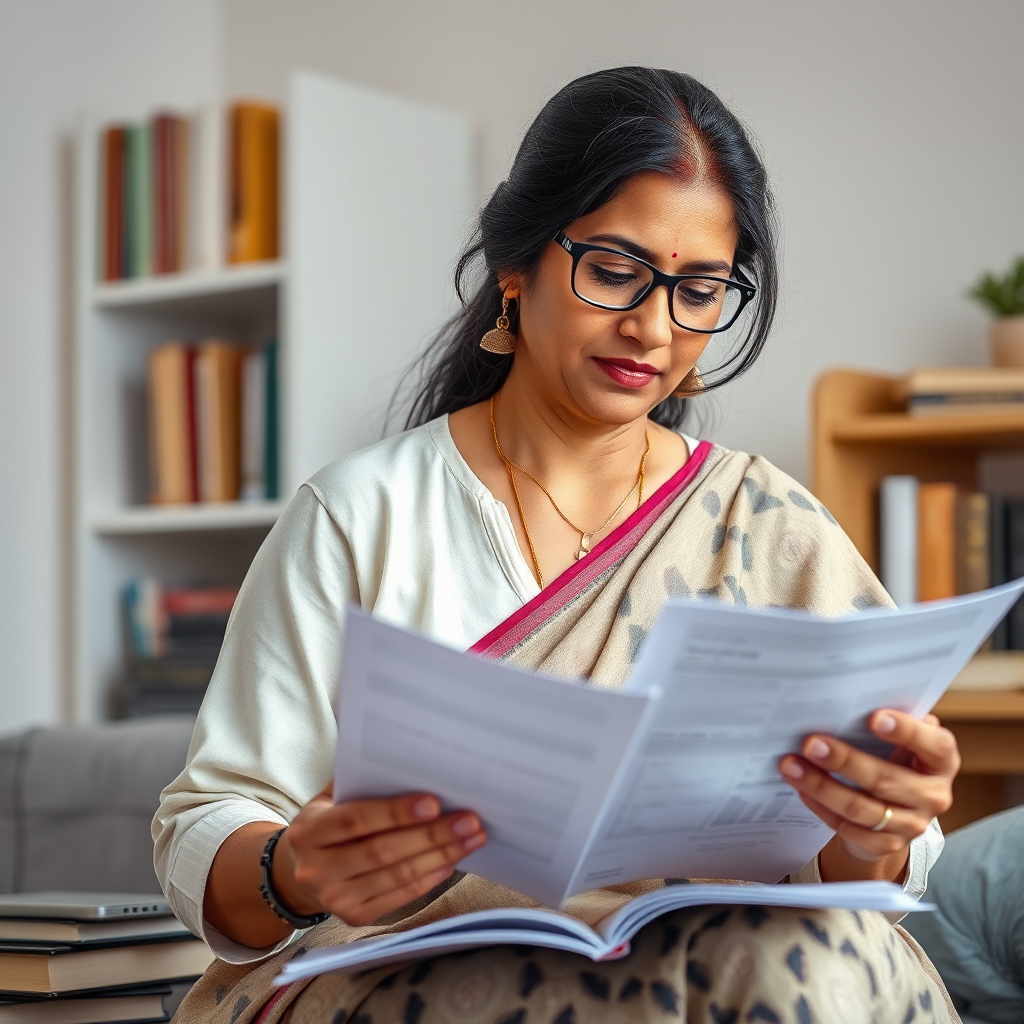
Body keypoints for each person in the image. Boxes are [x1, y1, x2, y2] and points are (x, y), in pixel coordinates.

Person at [156, 67, 961, 1024]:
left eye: (699, 289)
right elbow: (206, 828)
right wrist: (296, 868)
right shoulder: (361, 511)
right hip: (399, 980)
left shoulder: (766, 524)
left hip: (719, 966)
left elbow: (872, 852)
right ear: (517, 262)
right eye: (616, 271)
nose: (655, 327)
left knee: (831, 959)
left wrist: (875, 825)